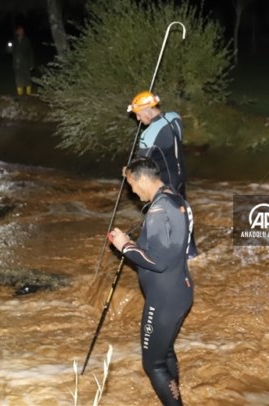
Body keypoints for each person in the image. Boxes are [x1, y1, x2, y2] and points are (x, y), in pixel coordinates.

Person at [108, 157, 194, 406]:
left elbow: (157, 262)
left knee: (153, 364)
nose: (132, 191)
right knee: (165, 351)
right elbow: (169, 247)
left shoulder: (157, 211)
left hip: (163, 299)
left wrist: (124, 245)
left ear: (141, 179)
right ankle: (176, 396)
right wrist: (135, 243)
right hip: (181, 290)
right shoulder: (174, 197)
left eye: (132, 185)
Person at [128, 90, 198, 258]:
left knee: (162, 219)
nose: (138, 119)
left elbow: (141, 165)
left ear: (147, 110)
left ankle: (160, 257)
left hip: (165, 183)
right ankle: (192, 253)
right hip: (181, 176)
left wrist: (127, 171)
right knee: (182, 213)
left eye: (138, 114)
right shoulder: (175, 117)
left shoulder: (149, 134)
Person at [9, 24, 35, 96]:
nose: (20, 32)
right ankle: (20, 94)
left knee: (27, 78)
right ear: (16, 32)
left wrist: (31, 64)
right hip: (17, 64)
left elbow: (30, 52)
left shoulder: (26, 40)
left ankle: (28, 94)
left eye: (21, 31)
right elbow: (11, 52)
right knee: (18, 78)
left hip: (25, 63)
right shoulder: (14, 41)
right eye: (19, 31)